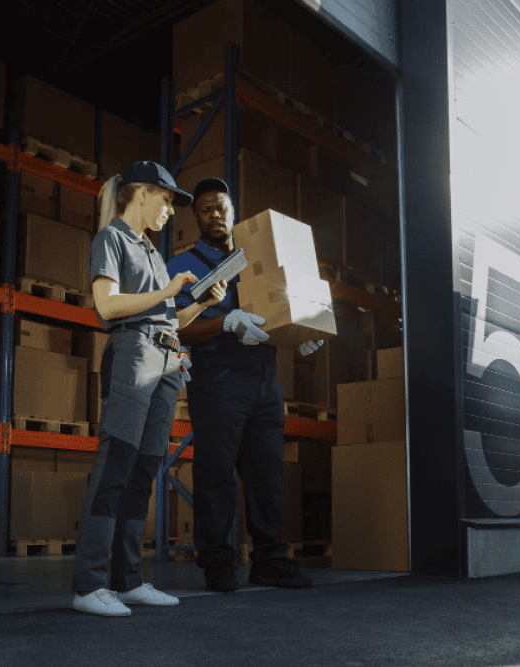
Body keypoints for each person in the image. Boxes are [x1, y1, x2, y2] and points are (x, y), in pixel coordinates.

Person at [72, 161, 227, 617]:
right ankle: (88, 585)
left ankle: (128, 580)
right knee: (116, 463)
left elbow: (171, 319)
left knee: (144, 470)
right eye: (166, 200)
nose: (170, 211)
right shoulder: (112, 239)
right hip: (133, 355)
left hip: (166, 358)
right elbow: (107, 304)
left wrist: (199, 302)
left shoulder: (154, 253)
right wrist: (167, 293)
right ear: (142, 194)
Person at [166, 177, 324, 592]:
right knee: (216, 474)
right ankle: (217, 562)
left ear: (233, 210)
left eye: (221, 207)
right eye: (205, 210)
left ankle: (269, 559)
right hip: (218, 382)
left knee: (266, 474)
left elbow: (280, 307)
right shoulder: (182, 266)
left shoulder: (258, 258)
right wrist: (225, 323)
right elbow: (178, 330)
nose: (215, 215)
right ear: (196, 218)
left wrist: (300, 331)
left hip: (264, 381)